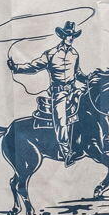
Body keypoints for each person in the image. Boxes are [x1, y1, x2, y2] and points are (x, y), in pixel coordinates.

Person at [11, 20, 88, 157]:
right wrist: (16, 68)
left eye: (73, 36)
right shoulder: (51, 54)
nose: (71, 38)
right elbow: (34, 66)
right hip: (59, 93)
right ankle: (66, 151)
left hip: (74, 91)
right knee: (61, 120)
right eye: (69, 35)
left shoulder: (75, 54)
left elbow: (78, 74)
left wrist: (89, 80)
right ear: (63, 36)